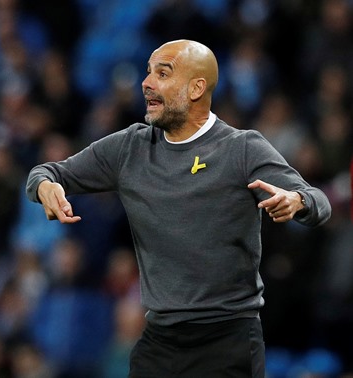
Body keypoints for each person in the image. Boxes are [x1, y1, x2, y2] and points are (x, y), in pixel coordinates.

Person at [26, 40, 332, 377]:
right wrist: (45, 186)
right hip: (159, 340)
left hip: (227, 341)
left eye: (162, 73)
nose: (146, 83)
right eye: (148, 72)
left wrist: (297, 201)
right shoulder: (130, 146)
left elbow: (319, 202)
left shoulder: (242, 148)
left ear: (196, 87)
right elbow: (47, 171)